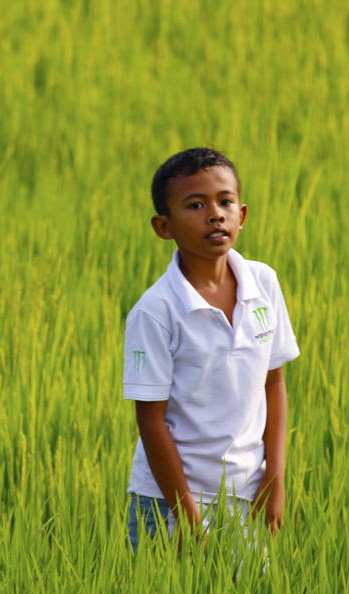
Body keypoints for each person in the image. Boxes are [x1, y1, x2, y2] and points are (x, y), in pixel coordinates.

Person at [123, 147, 300, 554]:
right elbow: (151, 421)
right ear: (163, 226)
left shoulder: (263, 283)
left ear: (242, 214)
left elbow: (274, 383)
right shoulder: (156, 311)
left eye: (225, 202)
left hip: (248, 493)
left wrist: (275, 478)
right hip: (168, 500)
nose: (215, 214)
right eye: (196, 205)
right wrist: (184, 511)